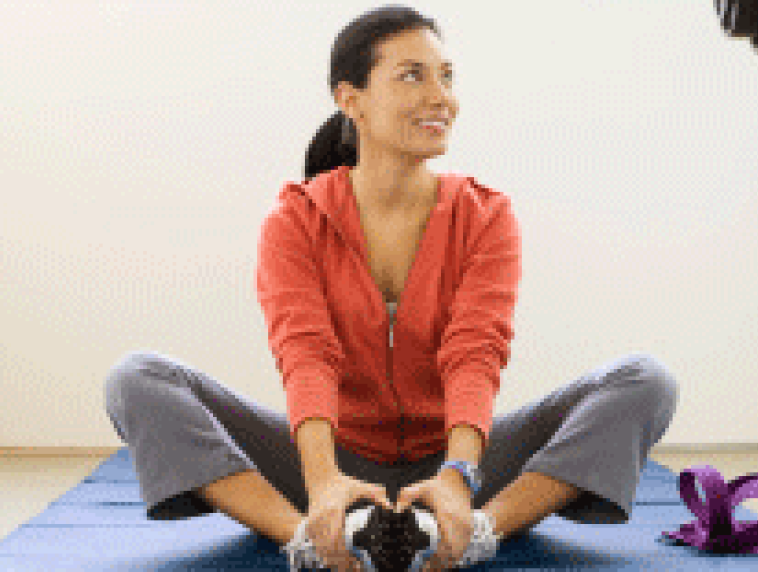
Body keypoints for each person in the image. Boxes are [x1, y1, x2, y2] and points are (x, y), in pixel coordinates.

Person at [104, 5, 679, 572]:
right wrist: (324, 480)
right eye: (413, 75)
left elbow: (475, 352)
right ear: (349, 98)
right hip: (332, 456)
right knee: (136, 379)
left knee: (647, 380)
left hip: (458, 460)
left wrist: (457, 476)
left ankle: (475, 529)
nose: (442, 97)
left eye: (447, 77)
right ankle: (308, 536)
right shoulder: (296, 218)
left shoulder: (485, 214)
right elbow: (305, 354)